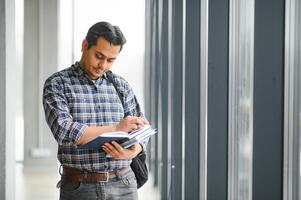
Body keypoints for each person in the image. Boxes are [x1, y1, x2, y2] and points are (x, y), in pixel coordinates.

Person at [43, 21, 148, 200]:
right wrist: (116, 128)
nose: (103, 65)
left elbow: (141, 130)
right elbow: (63, 130)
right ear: (85, 45)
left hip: (124, 184)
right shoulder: (57, 83)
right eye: (99, 56)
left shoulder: (121, 85)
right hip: (78, 187)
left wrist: (135, 149)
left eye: (111, 60)